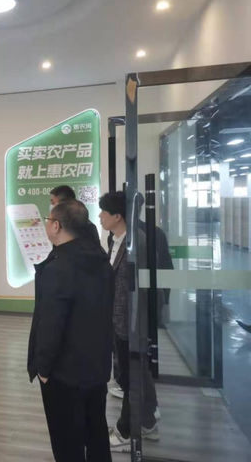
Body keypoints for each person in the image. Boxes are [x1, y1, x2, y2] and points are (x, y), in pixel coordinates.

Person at [28, 200, 114, 462]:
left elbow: (51, 323)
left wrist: (43, 369)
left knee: (66, 441)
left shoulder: (58, 267)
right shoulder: (101, 260)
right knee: (96, 432)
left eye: (48, 219)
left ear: (56, 225)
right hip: (96, 366)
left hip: (64, 373)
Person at [99, 191, 160, 453]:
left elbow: (145, 288)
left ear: (117, 216)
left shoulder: (138, 243)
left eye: (104, 212)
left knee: (131, 377)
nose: (100, 216)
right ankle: (147, 421)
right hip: (118, 320)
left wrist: (142, 324)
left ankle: (126, 430)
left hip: (133, 322)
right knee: (135, 373)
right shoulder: (114, 239)